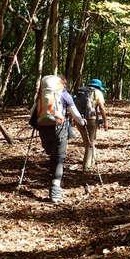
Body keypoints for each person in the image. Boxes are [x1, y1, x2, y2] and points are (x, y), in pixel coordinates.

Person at [34, 75, 86, 203]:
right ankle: (55, 188)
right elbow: (75, 113)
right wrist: (82, 122)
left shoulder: (41, 96)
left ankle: (52, 174)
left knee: (51, 153)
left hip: (44, 128)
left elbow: (33, 113)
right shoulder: (64, 94)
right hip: (59, 128)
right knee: (59, 157)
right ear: (62, 84)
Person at [75, 79, 108, 172]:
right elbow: (101, 107)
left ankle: (92, 159)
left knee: (88, 141)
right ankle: (86, 167)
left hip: (78, 119)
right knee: (89, 144)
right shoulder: (97, 92)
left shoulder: (80, 91)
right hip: (91, 119)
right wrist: (105, 121)